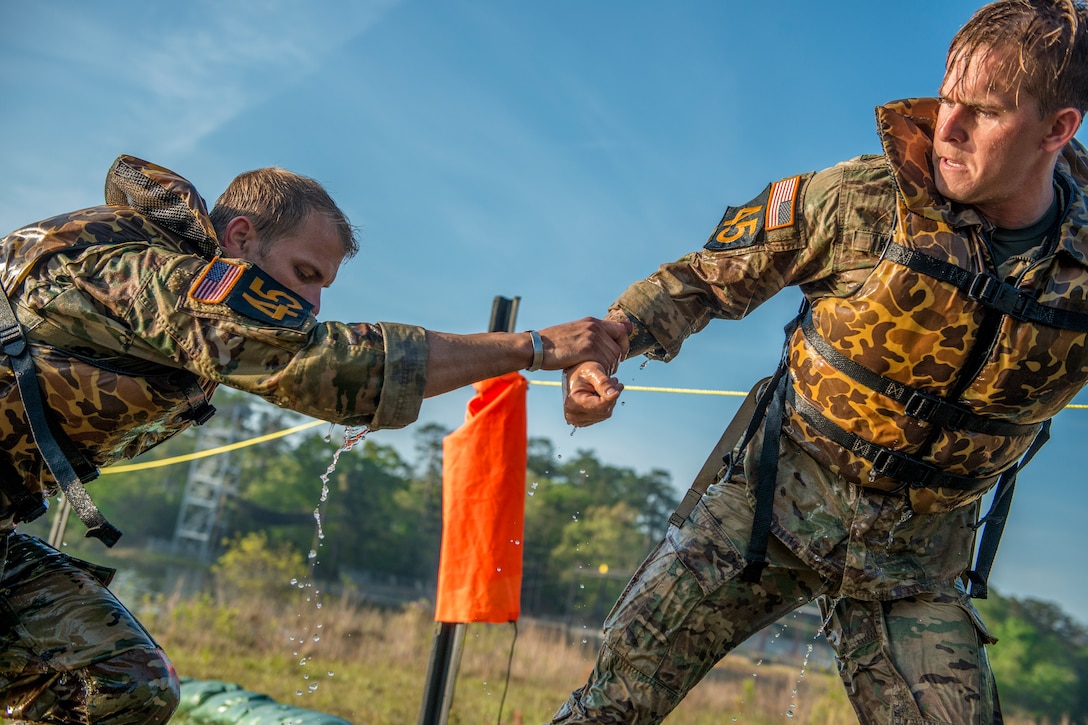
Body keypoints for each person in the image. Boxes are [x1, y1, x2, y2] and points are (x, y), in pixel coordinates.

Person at [552, 1, 1087, 722]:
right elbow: (704, 278)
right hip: (767, 509)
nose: (948, 128)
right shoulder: (860, 200)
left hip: (916, 563)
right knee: (609, 707)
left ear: (1058, 129)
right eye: (947, 97)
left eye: (984, 112)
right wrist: (610, 341)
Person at [0, 154, 629, 724]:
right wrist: (536, 348)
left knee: (128, 682)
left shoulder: (176, 293)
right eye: (304, 272)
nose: (311, 302)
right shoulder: (130, 273)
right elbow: (327, 367)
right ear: (241, 235)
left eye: (322, 285)